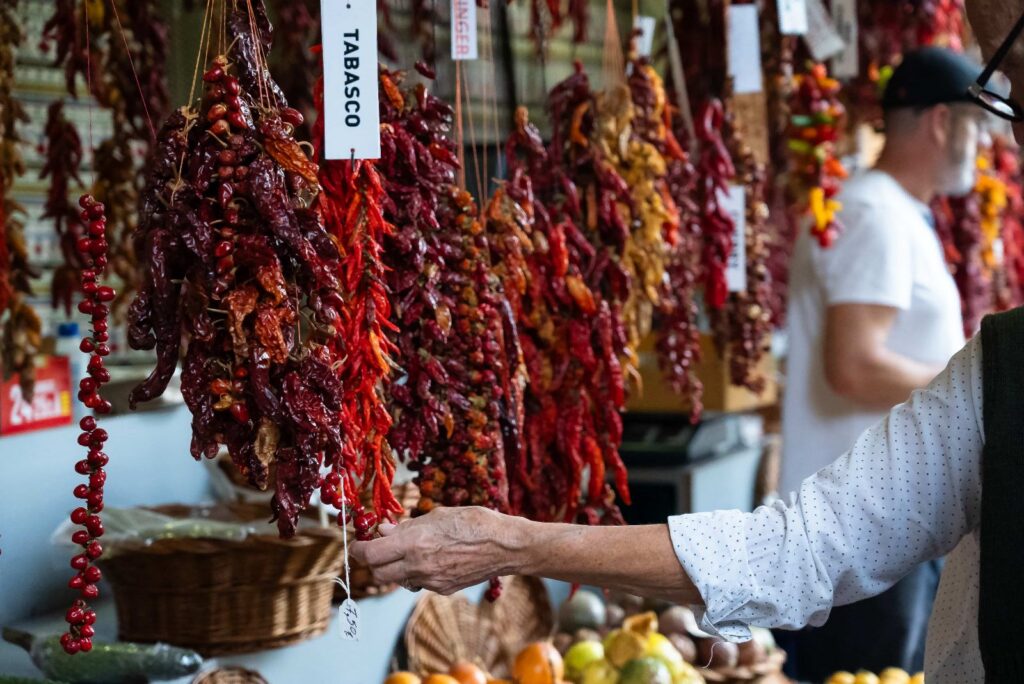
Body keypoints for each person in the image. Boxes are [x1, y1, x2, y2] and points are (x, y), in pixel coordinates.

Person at [353, 3, 1024, 681]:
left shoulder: (978, 340)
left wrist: (513, 542)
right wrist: (508, 541)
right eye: (1004, 93)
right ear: (940, 122)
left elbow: (799, 551)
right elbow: (799, 547)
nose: (1009, 132)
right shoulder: (987, 361)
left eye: (1014, 81)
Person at [776, 47, 985, 680]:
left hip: (883, 522)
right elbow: (854, 366)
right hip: (859, 528)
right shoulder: (875, 215)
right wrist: (979, 390)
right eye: (976, 125)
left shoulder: (896, 212)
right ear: (942, 122)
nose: (983, 144)